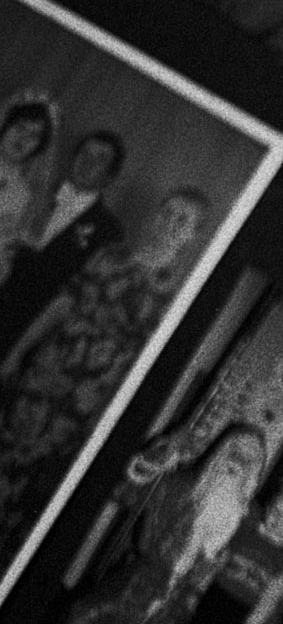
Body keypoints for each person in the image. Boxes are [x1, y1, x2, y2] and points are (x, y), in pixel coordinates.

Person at [0, 187, 210, 565]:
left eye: (183, 221)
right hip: (47, 367)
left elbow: (140, 365)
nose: (170, 223)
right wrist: (18, 351)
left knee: (35, 475)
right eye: (167, 212)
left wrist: (105, 415)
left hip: (87, 396)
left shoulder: (173, 293)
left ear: (192, 236)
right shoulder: (110, 255)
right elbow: (63, 303)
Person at [32, 426, 265, 624]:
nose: (238, 464)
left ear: (254, 474)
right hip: (142, 579)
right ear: (220, 453)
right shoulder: (180, 486)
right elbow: (130, 492)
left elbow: (245, 576)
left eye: (249, 461)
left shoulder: (244, 521)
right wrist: (158, 458)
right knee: (88, 618)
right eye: (234, 454)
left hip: (180, 602)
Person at [0, 130, 125, 354]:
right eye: (84, 154)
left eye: (99, 159)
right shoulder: (36, 190)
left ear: (110, 176)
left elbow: (80, 293)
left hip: (28, 330)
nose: (87, 163)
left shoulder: (109, 230)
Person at [0, 94, 60, 276]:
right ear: (6, 125)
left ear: (39, 147)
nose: (23, 138)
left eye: (33, 136)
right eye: (20, 127)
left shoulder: (24, 195)